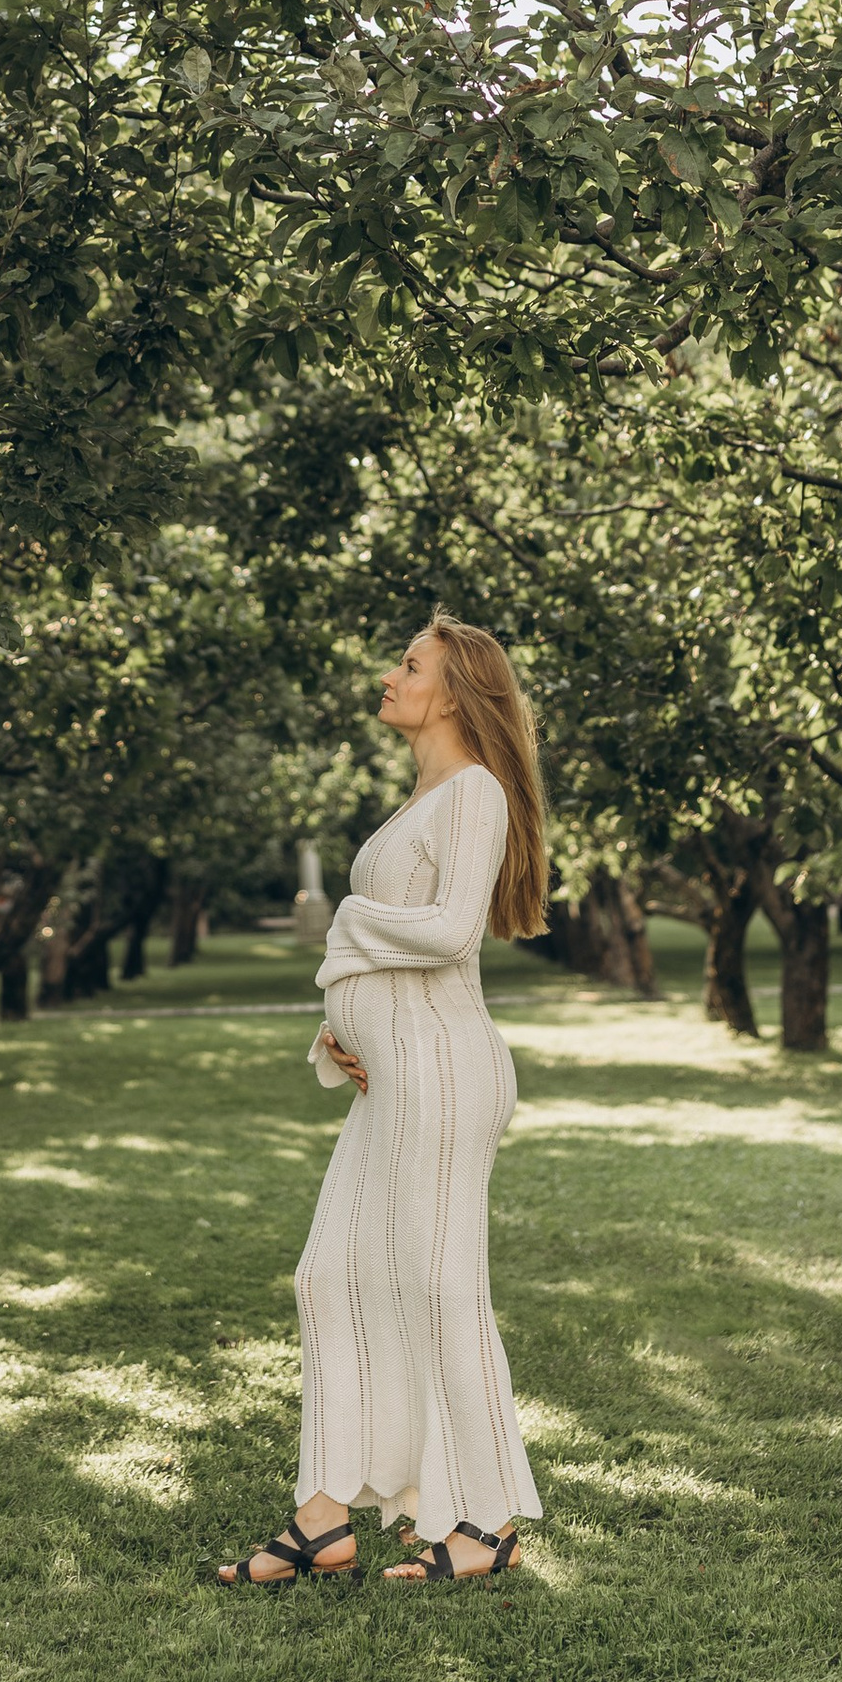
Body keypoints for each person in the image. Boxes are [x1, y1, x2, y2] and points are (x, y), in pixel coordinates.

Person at [214, 610, 548, 1588]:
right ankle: (324, 1522)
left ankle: (483, 1525)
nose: (392, 676)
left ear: (454, 693)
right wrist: (340, 1028)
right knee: (327, 1277)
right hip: (394, 1074)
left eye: (412, 665)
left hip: (445, 1072)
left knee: (442, 1287)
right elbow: (395, 957)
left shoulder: (475, 792)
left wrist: (349, 925)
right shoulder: (421, 797)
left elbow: (447, 934)